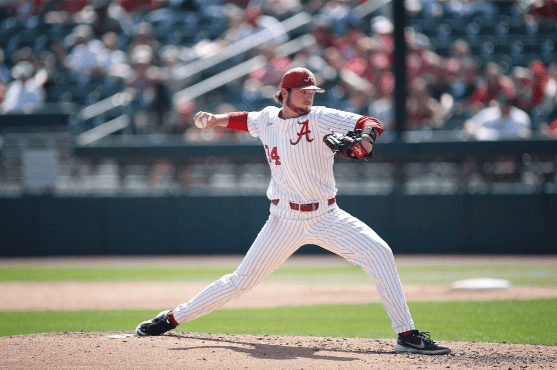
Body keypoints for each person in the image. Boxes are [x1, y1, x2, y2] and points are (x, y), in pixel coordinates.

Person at [135, 67, 452, 355]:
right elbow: (245, 119)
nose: (309, 95)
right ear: (283, 93)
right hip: (283, 220)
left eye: (312, 91)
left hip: (327, 215)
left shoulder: (321, 116)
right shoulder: (268, 118)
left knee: (380, 253)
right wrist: (216, 120)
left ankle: (406, 334)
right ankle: (172, 318)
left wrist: (367, 138)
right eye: (303, 90)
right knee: (240, 281)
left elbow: (370, 122)